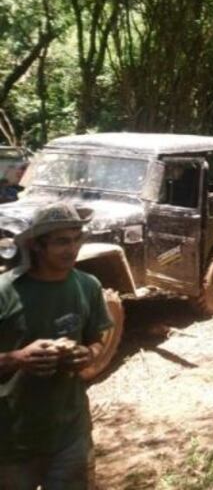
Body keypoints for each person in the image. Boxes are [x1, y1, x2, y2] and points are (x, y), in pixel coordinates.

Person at [0, 202, 113, 489]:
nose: (72, 248)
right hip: (12, 440)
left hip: (70, 433)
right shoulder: (6, 292)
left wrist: (86, 354)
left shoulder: (88, 286)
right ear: (37, 245)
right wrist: (17, 358)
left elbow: (98, 340)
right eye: (62, 241)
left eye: (77, 239)